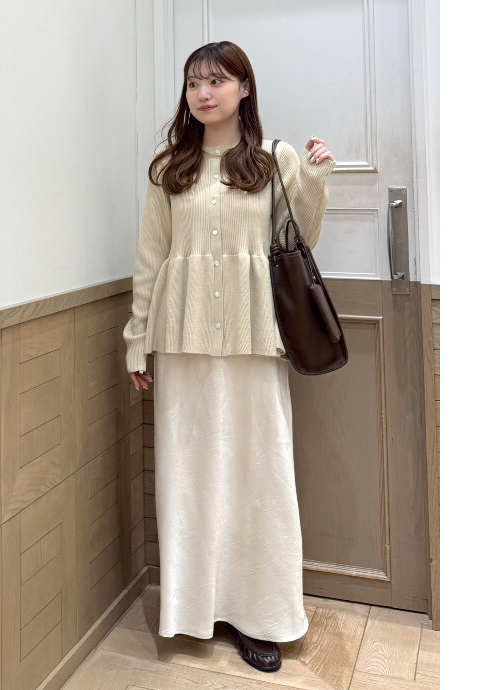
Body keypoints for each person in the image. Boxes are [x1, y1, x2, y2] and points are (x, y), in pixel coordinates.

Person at [123, 41, 336, 673]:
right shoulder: (171, 168)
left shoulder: (275, 159)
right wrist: (137, 336)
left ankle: (260, 616)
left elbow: (300, 240)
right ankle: (195, 608)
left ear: (244, 88)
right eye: (193, 82)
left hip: (254, 338)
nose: (203, 93)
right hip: (182, 341)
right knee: (187, 476)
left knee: (259, 476)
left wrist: (315, 180)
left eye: (216, 80)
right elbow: (151, 258)